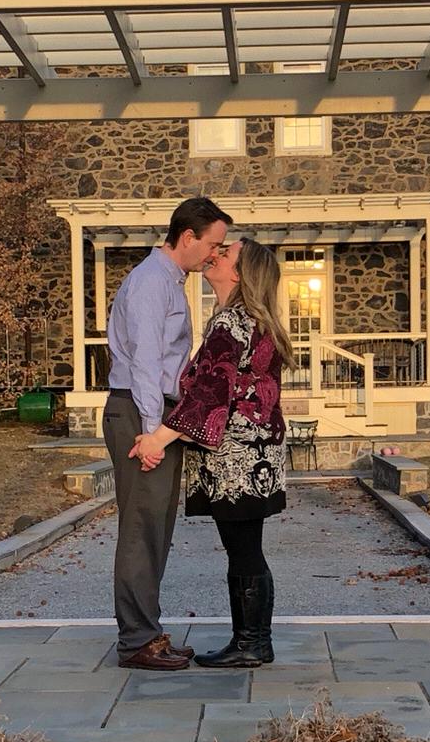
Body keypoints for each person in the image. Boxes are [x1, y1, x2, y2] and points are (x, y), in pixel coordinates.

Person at [133, 236, 292, 669]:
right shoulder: (248, 320)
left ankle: (252, 644)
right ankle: (254, 641)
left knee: (243, 550)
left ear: (239, 274)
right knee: (247, 548)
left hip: (236, 460)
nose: (216, 254)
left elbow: (209, 394)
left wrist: (156, 440)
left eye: (227, 253)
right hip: (257, 455)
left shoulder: (231, 324)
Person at [103, 196, 230, 670]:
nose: (215, 254)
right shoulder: (152, 283)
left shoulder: (170, 281)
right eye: (213, 244)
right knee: (140, 529)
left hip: (151, 414)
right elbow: (146, 362)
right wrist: (154, 431)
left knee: (155, 530)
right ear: (188, 237)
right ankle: (136, 640)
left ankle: (148, 632)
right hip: (140, 413)